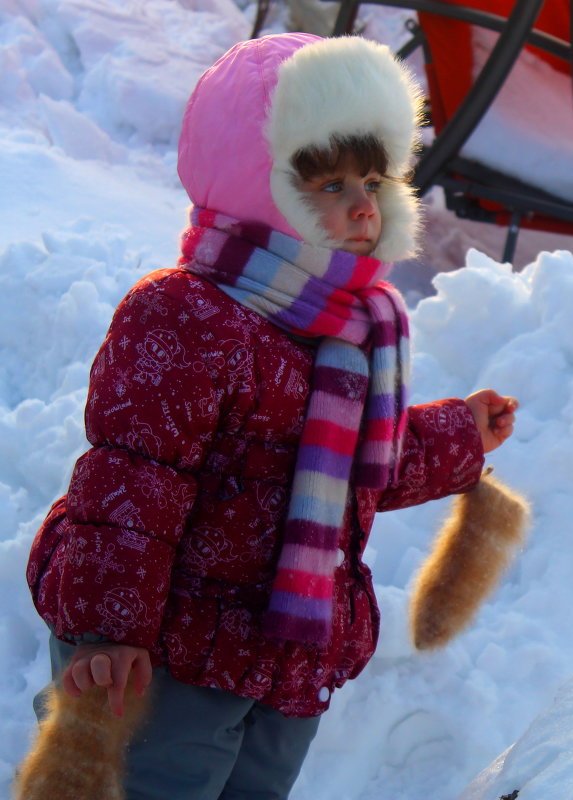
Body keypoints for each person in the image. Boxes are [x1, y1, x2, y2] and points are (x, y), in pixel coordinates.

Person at [24, 32, 517, 799]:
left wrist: (459, 435)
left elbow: (358, 467)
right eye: (327, 184)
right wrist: (108, 630)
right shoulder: (188, 316)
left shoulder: (358, 328)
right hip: (171, 656)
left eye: (372, 179)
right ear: (261, 183)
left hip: (286, 658)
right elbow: (131, 481)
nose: (360, 205)